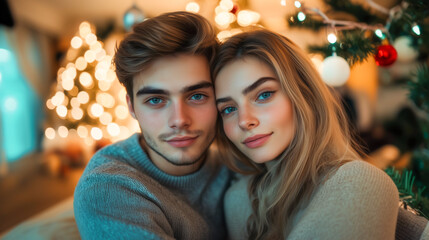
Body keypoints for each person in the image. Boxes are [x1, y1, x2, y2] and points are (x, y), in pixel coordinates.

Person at [212, 29, 400, 240]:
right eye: (228, 109)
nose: (244, 121)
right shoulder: (238, 201)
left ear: (305, 95)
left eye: (264, 95)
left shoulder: (359, 182)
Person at [74, 11, 231, 240]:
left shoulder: (235, 165)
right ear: (132, 107)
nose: (179, 120)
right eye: (156, 100)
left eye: (197, 96)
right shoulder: (106, 188)